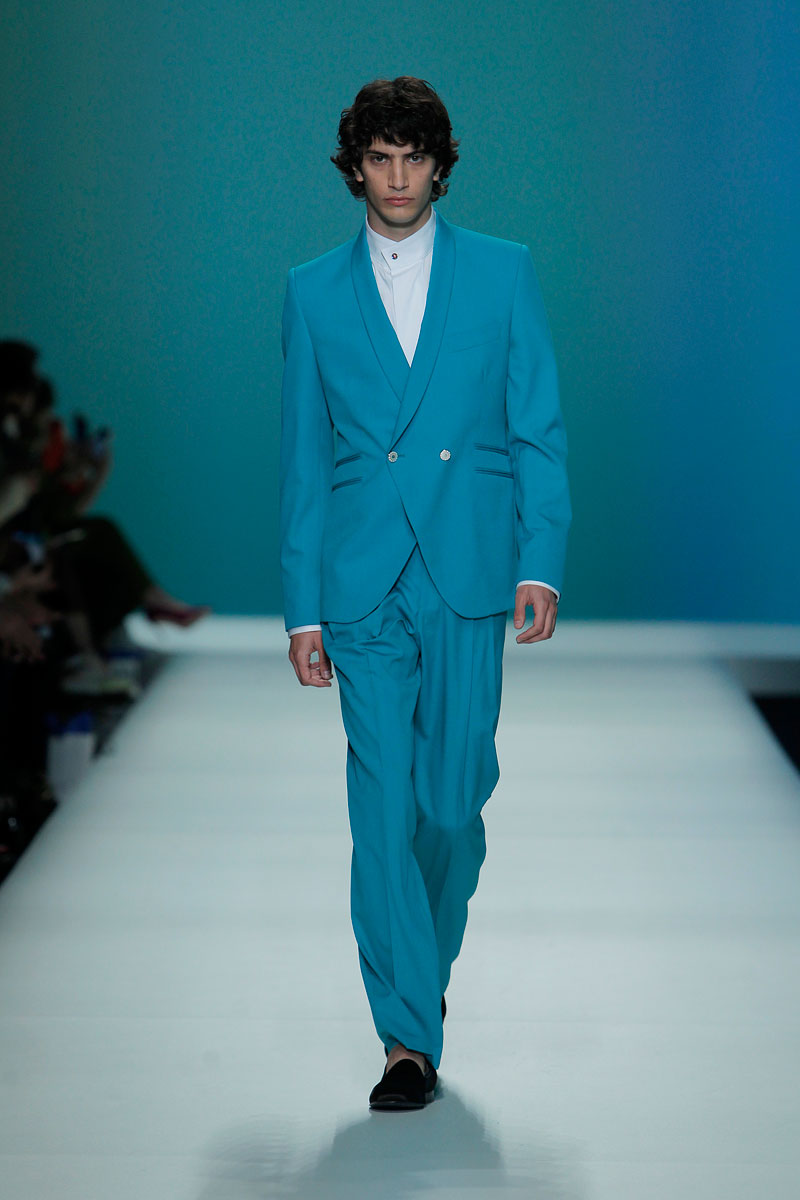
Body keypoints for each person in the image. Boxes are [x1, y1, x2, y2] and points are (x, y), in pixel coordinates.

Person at [279, 76, 571, 1111]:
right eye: (379, 158)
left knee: (449, 808)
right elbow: (303, 461)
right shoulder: (311, 290)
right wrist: (302, 607)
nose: (397, 178)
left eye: (414, 158)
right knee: (382, 807)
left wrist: (539, 557)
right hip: (361, 580)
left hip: (467, 564)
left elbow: (536, 424)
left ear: (440, 167)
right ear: (354, 167)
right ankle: (406, 1037)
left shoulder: (502, 271)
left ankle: (420, 973)